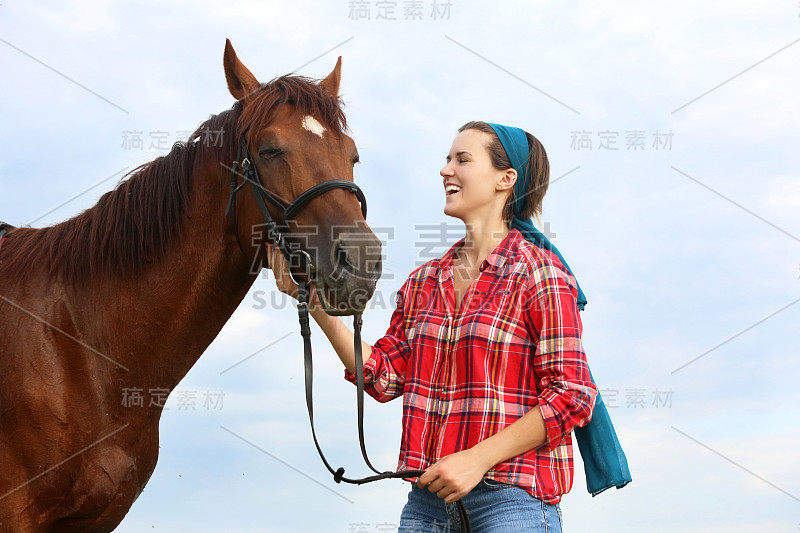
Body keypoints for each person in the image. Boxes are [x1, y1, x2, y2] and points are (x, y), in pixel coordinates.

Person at [266, 121, 598, 532]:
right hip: (428, 504)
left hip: (512, 501)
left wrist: (477, 459)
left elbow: (573, 395)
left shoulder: (540, 276)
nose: (446, 170)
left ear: (505, 179)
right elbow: (385, 376)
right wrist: (314, 304)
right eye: (446, 159)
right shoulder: (425, 281)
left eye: (462, 159)